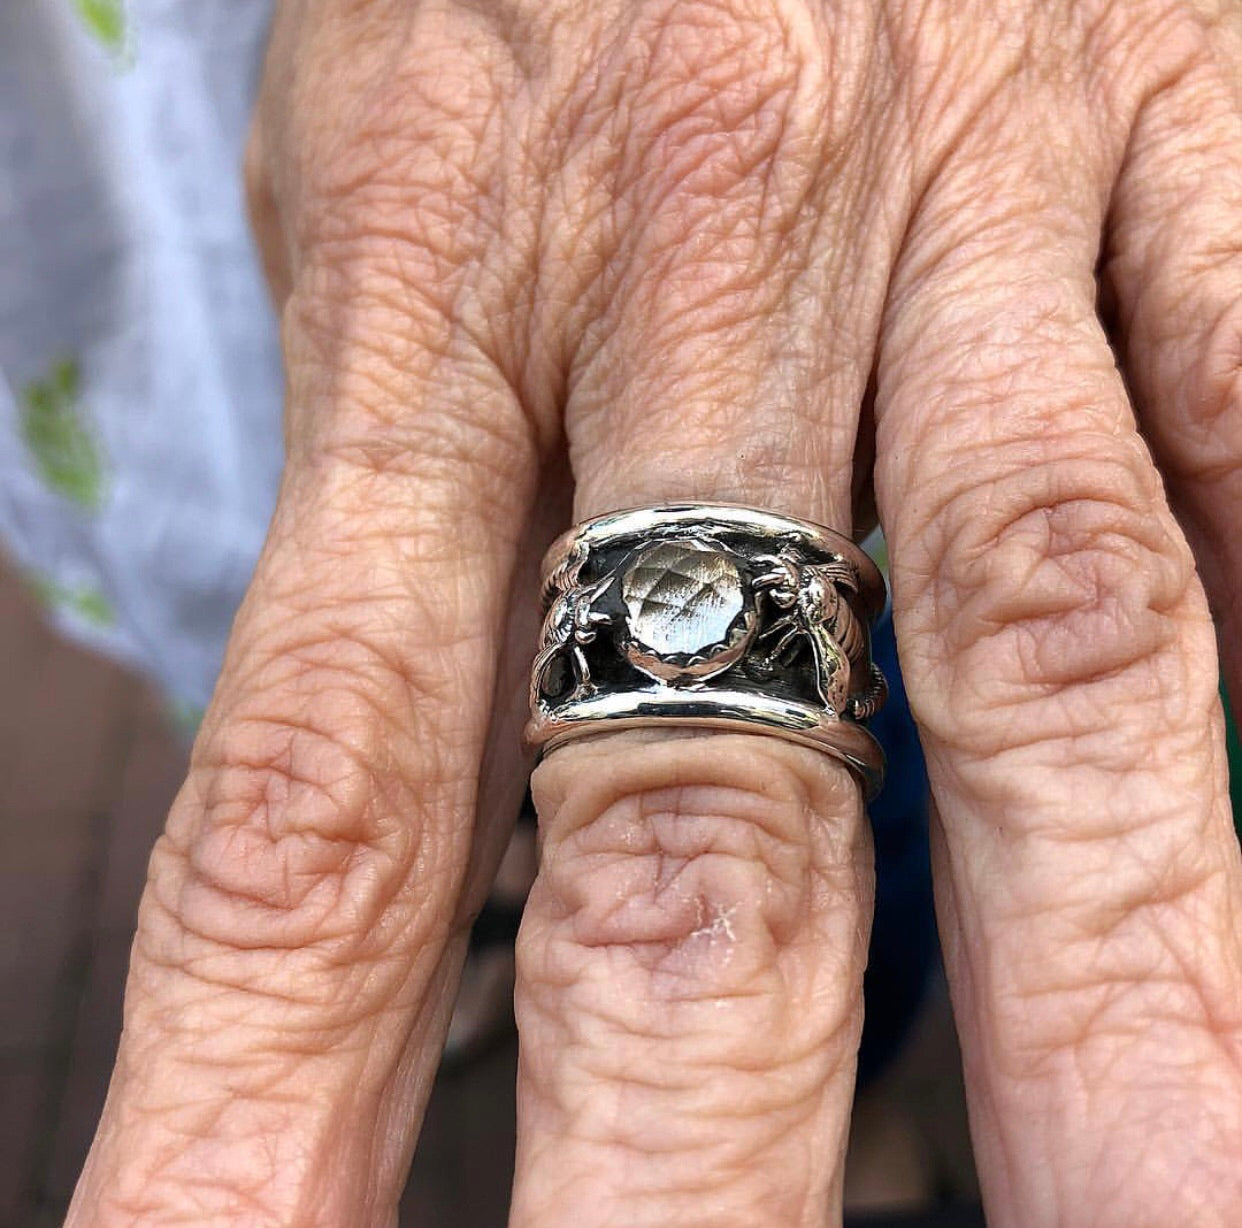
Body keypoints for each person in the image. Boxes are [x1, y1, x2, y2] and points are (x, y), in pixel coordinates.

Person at [27, 0, 1242, 1222]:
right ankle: (479, 882)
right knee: (317, 772)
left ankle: (840, 1073)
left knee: (864, 772)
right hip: (142, 301)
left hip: (822, 293)